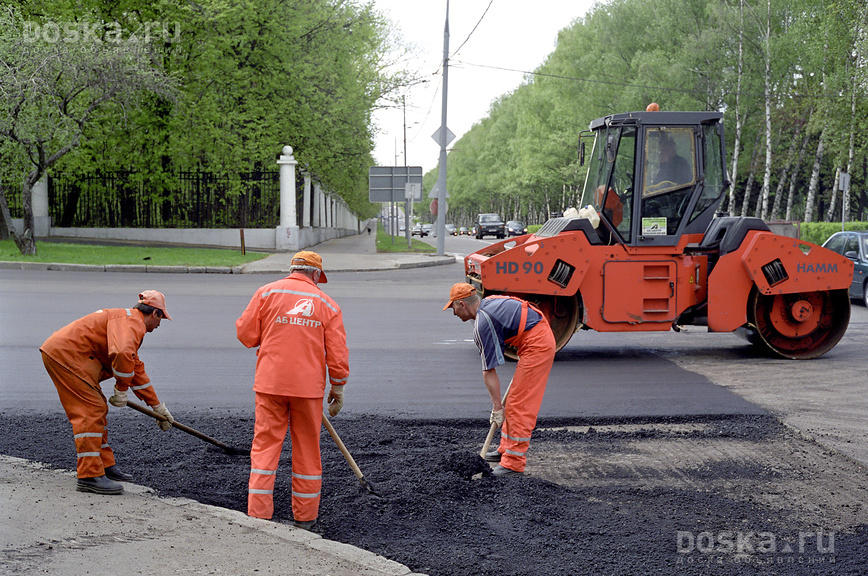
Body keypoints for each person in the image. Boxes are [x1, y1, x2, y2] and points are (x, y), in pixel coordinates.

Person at [236, 250, 349, 530]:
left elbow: (245, 334)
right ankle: (306, 517)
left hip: (270, 384)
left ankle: (259, 515)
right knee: (307, 450)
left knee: (264, 448)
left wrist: (274, 333)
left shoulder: (266, 293)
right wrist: (338, 387)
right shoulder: (328, 305)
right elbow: (337, 354)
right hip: (307, 389)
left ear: (292, 270)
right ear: (315, 274)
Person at [40, 290, 175, 495]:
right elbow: (121, 354)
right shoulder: (133, 324)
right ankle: (89, 476)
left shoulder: (128, 323)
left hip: (73, 356)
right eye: (161, 319)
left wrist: (157, 406)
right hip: (67, 356)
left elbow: (134, 368)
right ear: (155, 313)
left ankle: (103, 465)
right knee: (91, 410)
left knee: (97, 407)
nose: (159, 325)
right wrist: (121, 389)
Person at [443, 283, 556, 476]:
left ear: (462, 304)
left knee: (520, 405)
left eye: (453, 307)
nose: (453, 313)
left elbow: (489, 371)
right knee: (513, 401)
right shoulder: (488, 303)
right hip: (533, 334)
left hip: (537, 343)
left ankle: (513, 463)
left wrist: (497, 408)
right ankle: (505, 449)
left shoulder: (482, 323)